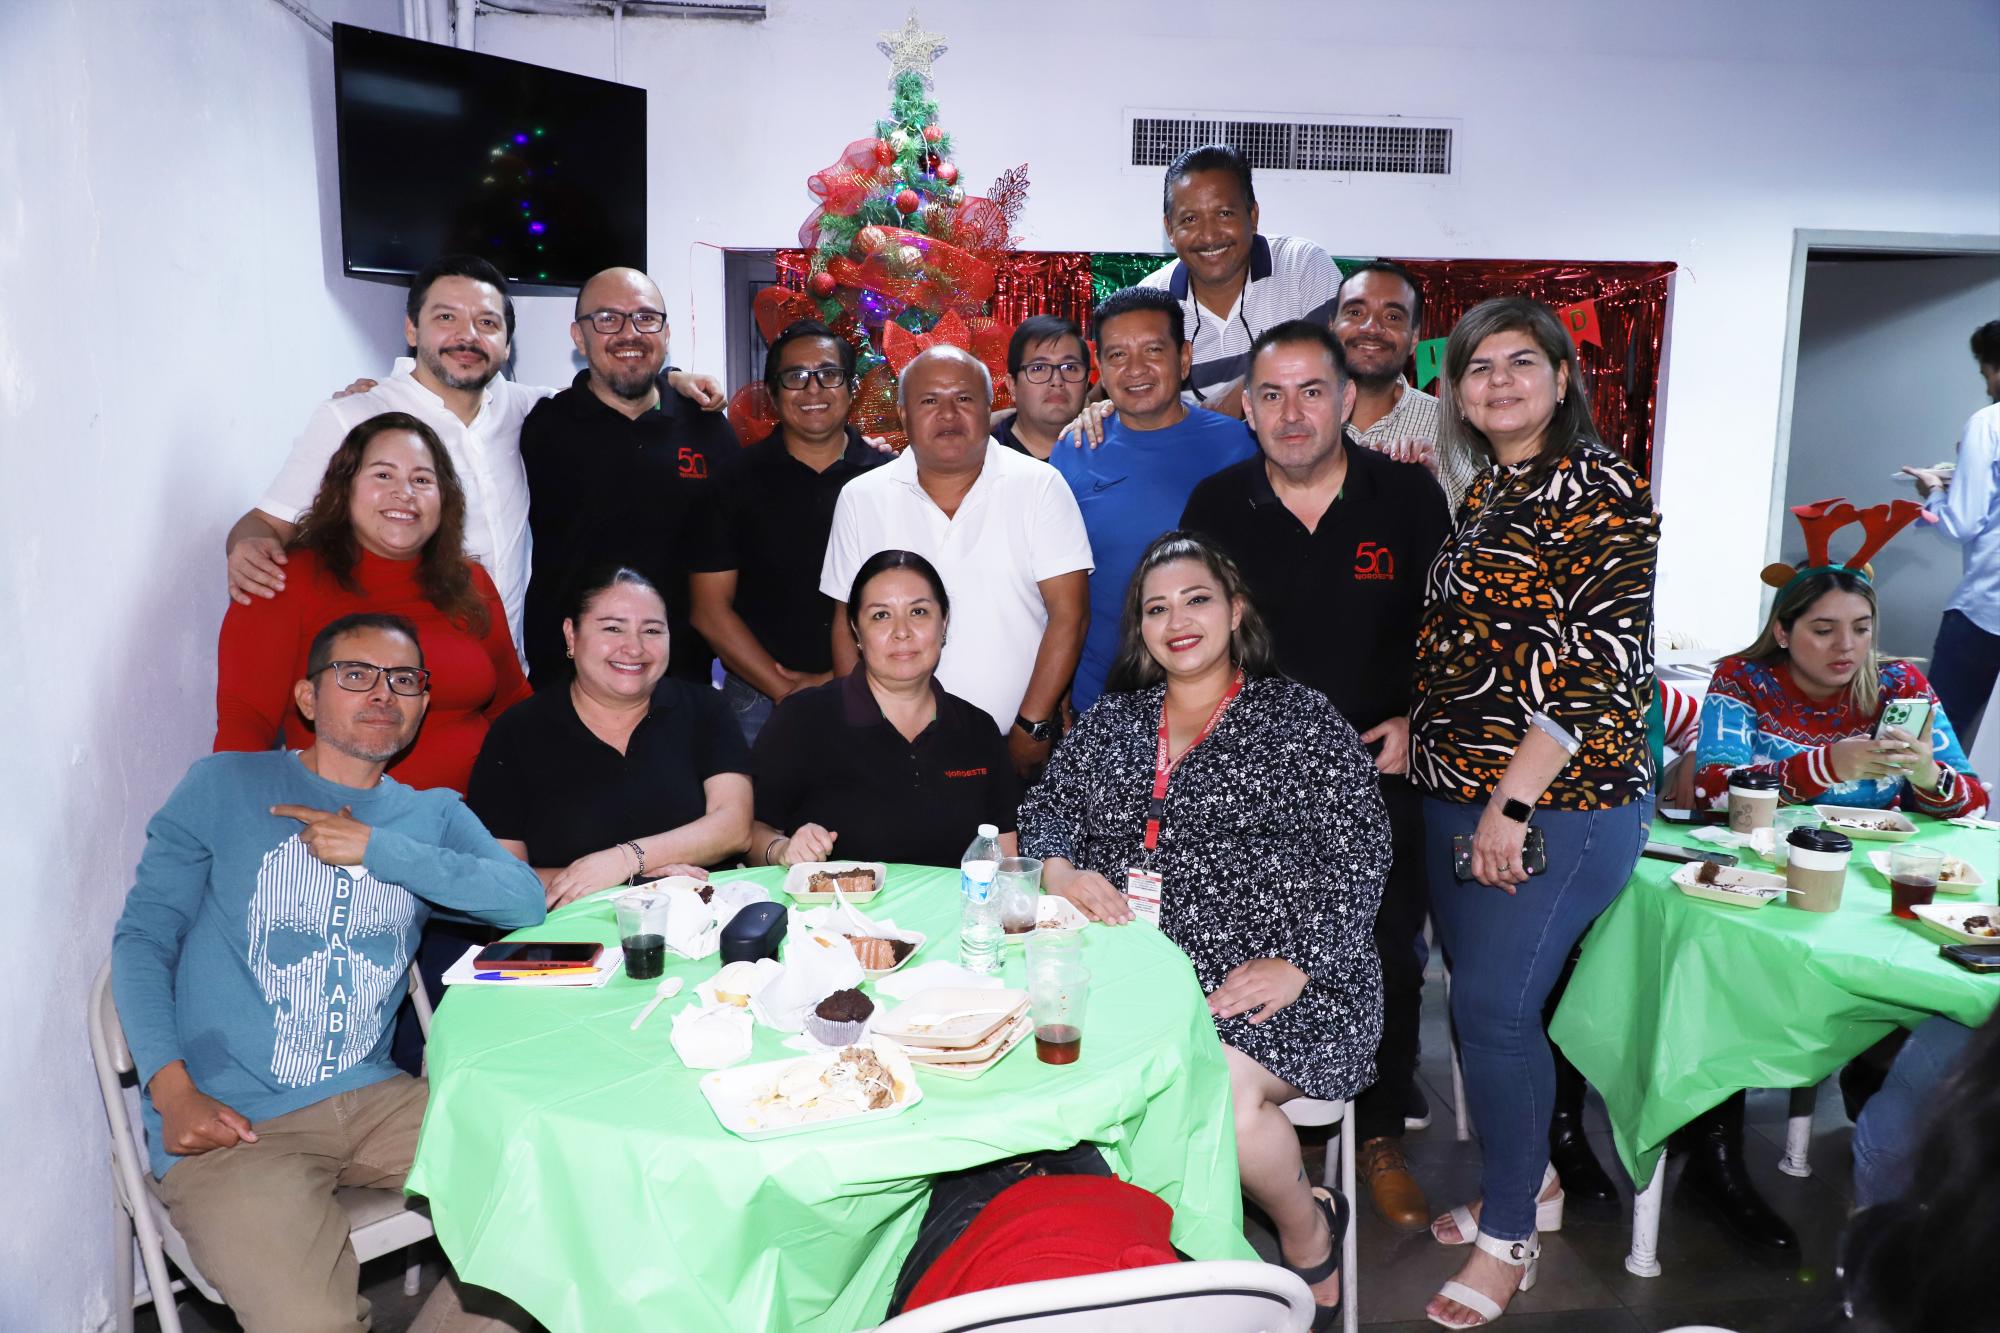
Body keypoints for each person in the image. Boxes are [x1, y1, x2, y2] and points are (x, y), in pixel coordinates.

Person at [111, 612, 544, 1333]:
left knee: (555, 1196)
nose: (383, 692)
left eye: (403, 679)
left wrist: (377, 847)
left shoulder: (433, 814)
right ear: (308, 698)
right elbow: (143, 939)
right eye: (356, 673)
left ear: (423, 702)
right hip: (236, 1121)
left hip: (380, 1101)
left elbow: (524, 901)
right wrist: (172, 1088)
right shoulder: (224, 785)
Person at [1018, 531, 1387, 1328]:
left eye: (1196, 599)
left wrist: (1299, 962)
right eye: (1157, 608)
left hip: (1284, 977)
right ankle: (1134, 1261)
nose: (1177, 619)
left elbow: (1363, 848)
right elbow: (1044, 811)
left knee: (1213, 1082)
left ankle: (1307, 1232)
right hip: (1135, 969)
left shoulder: (1297, 718)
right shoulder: (1113, 723)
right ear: (1140, 631)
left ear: (1235, 611)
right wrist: (1061, 870)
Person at [1407, 297, 1659, 1327]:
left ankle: (1511, 1232)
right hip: (1454, 786)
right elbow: (1489, 656)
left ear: (1563, 376)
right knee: (1496, 1007)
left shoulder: (1600, 486)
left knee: (1493, 1012)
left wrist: (1508, 803)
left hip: (1555, 802)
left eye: (1520, 361)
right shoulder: (1491, 487)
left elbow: (1598, 668)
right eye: (1476, 367)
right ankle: (1535, 1182)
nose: (1497, 381)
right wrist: (1411, 726)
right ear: (1456, 392)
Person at [1181, 319, 1449, 1233]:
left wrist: (1420, 718)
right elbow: (1194, 639)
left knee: (1386, 951)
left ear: (1346, 400)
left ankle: (1376, 1135)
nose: (1291, 413)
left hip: (1380, 778)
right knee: (1250, 950)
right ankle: (1267, 1133)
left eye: (1310, 392)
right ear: (1245, 407)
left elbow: (1444, 636)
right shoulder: (1217, 504)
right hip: (1250, 787)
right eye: (1271, 394)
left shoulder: (1407, 498)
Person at [224, 254, 722, 648]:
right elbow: (265, 525)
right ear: (412, 329)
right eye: (446, 317)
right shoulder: (352, 418)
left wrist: (674, 381)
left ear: (506, 344)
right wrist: (245, 547)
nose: (467, 335)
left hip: (513, 673)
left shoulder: (528, 409)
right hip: (397, 672)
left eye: (487, 323)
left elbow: (615, 388)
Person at [215, 412, 528, 795]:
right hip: (343, 830)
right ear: (345, 488)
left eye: (422, 480)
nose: (405, 492)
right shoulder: (283, 580)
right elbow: (245, 725)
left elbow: (513, 706)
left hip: (482, 826)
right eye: (383, 475)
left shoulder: (470, 582)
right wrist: (239, 828)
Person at [820, 345, 1093, 776]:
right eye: (929, 401)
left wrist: (1032, 727)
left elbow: (1070, 615)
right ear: (904, 415)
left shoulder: (1039, 486)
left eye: (964, 399)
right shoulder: (861, 497)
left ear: (989, 409)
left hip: (1015, 745)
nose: (948, 414)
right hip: (892, 750)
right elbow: (845, 622)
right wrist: (858, 728)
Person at [468, 566, 752, 906]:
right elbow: (503, 878)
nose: (634, 647)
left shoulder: (704, 708)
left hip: (702, 916)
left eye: (651, 630)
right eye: (613, 628)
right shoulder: (518, 731)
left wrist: (624, 860)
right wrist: (635, 886)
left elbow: (734, 826)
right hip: (575, 935)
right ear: (571, 635)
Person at [518, 266, 739, 688]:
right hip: (566, 683)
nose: (629, 332)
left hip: (680, 681)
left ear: (666, 333)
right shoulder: (540, 427)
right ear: (578, 336)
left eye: (645, 317)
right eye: (607, 319)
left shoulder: (708, 427)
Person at [1053, 287, 1259, 714]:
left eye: (1152, 350)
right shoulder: (1073, 449)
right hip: (1103, 702)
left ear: (1184, 358)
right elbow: (1057, 591)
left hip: (1221, 703)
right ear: (1100, 367)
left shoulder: (1241, 445)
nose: (1135, 369)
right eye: (1117, 355)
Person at [749, 550, 1021, 868]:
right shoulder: (802, 720)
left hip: (954, 916)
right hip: (834, 916)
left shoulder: (978, 729)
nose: (901, 631)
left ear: (944, 623)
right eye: (881, 615)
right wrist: (781, 849)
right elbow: (750, 833)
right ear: (856, 631)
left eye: (918, 612)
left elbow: (1006, 850)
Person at [691, 319, 881, 744]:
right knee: (752, 812)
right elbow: (709, 610)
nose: (813, 390)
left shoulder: (887, 481)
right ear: (773, 395)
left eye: (828, 374)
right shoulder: (734, 480)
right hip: (757, 699)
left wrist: (842, 681)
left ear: (851, 388)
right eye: (795, 377)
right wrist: (786, 691)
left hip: (874, 691)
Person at [1139, 144, 1341, 417]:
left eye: (1224, 214)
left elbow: (1340, 364)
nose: (1209, 236)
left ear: (1253, 216)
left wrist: (1246, 386)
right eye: (1189, 219)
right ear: (1170, 229)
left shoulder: (1302, 266)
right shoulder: (1148, 302)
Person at [1902, 319, 2000, 751]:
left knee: (1934, 735)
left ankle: (1915, 815)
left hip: (1984, 611)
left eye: (1986, 374)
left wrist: (1936, 492)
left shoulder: (1988, 423)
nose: (1987, 386)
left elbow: (1961, 524)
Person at [1331, 261, 1476, 513]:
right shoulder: (1292, 417)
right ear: (1332, 327)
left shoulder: (1451, 426)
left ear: (1414, 339)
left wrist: (1426, 487)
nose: (1371, 328)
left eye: (1392, 317)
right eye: (1355, 313)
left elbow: (1476, 535)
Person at [994, 314, 1093, 461]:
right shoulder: (983, 457)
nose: (1057, 380)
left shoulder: (1107, 451)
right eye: (1039, 368)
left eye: (1070, 367)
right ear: (1012, 385)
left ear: (1086, 382)